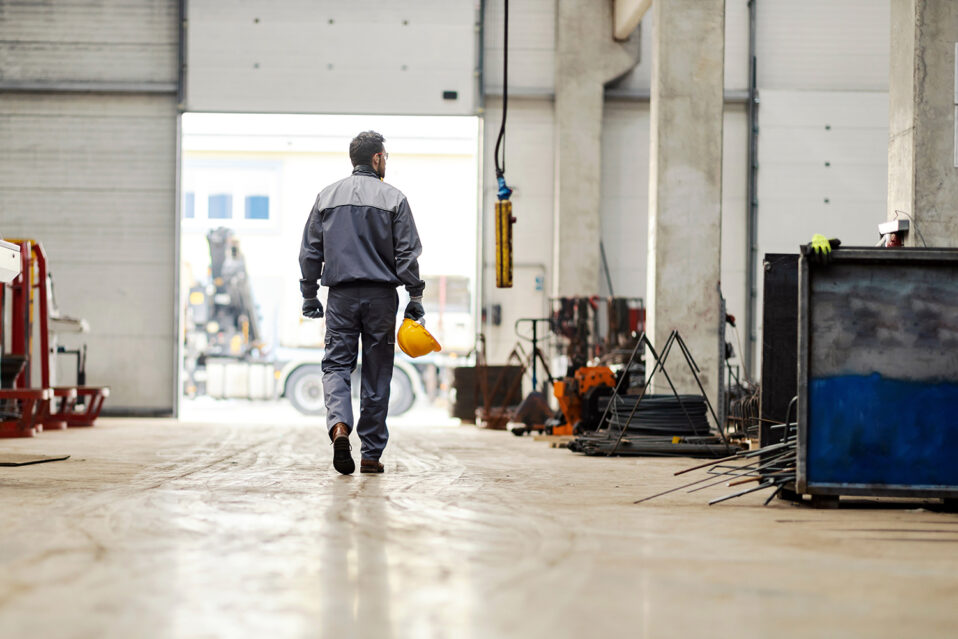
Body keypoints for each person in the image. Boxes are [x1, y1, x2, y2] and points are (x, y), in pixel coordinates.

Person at [299, 131, 425, 475]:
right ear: (377, 159)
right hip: (381, 298)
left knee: (336, 365)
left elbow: (310, 251)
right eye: (386, 157)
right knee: (377, 371)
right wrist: (415, 296)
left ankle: (339, 426)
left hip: (340, 296)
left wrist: (309, 294)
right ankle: (370, 454)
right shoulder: (394, 198)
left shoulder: (327, 197)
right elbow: (407, 255)